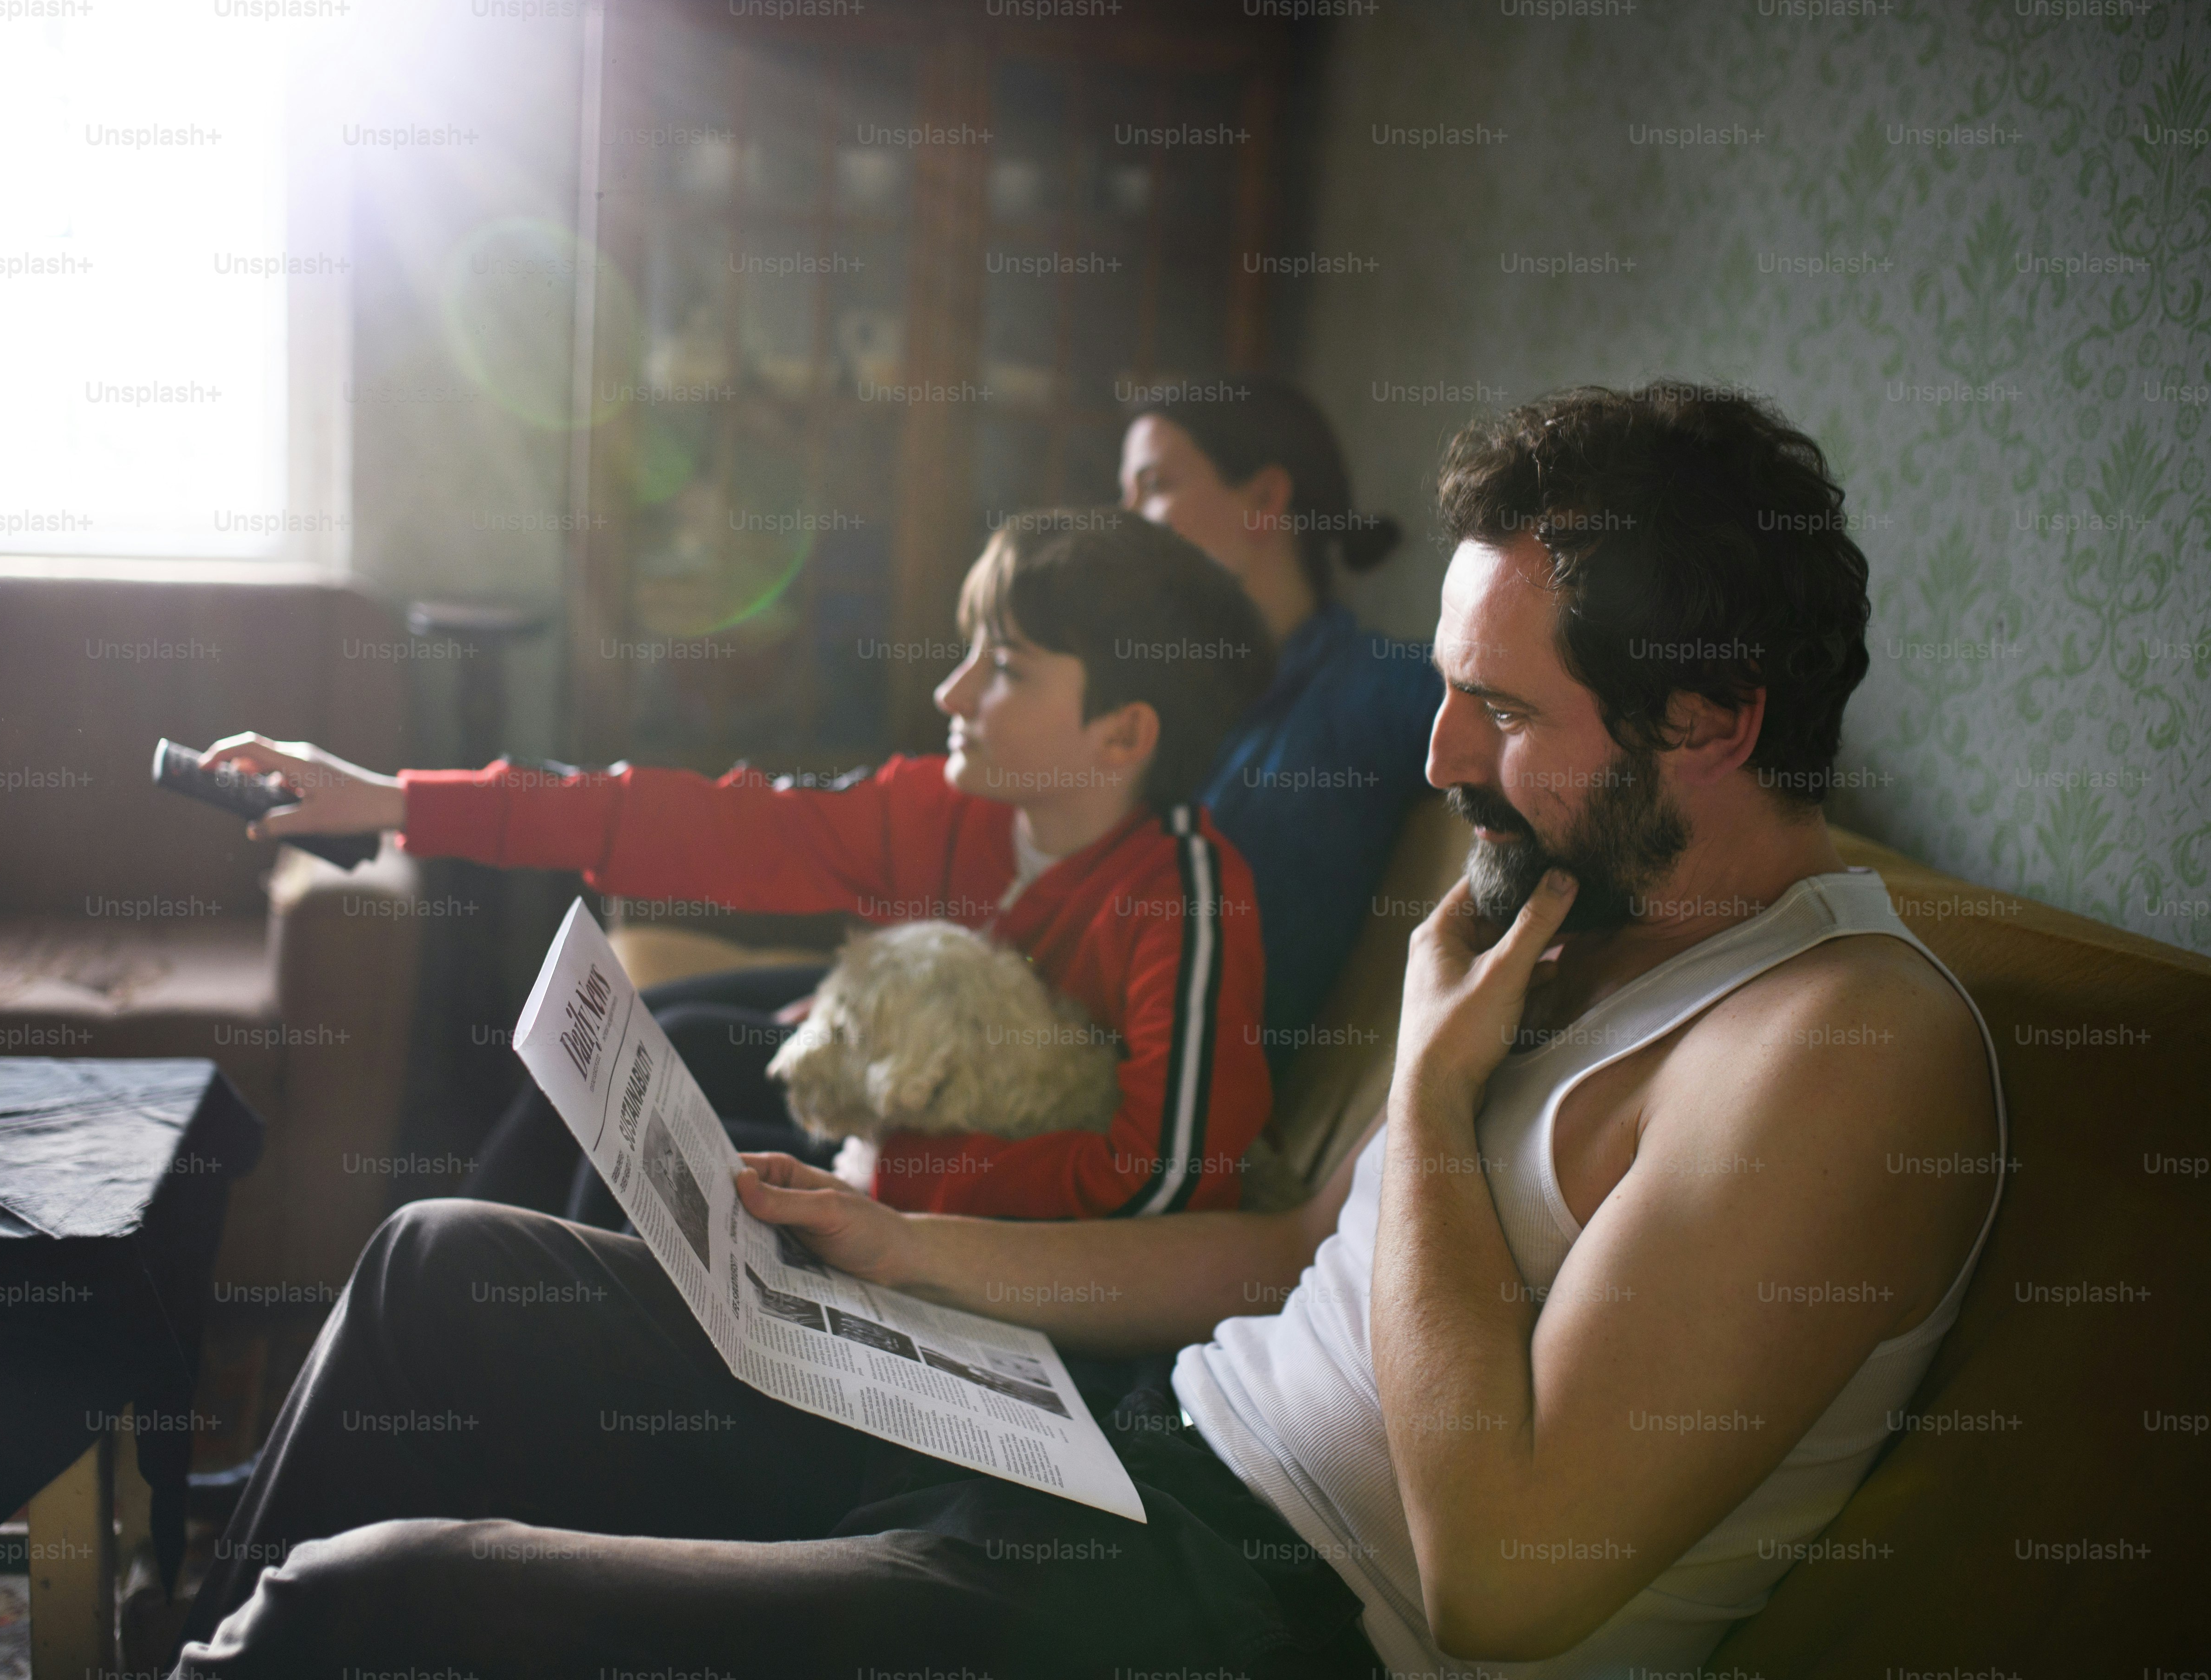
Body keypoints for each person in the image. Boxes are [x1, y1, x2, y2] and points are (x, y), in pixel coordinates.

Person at [172, 383, 2004, 1679]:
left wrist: (1436, 1099)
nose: (1444, 765)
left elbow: (1508, 1582)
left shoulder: (1851, 1049)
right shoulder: (1560, 908)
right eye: (1445, 697)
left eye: (1503, 715)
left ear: (1710, 723)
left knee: (376, 1607)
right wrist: (901, 1246)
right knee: (441, 1272)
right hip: (1142, 1451)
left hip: (1268, 1617)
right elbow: (1291, 1252)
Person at [212, 508, 1279, 1220]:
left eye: (1003, 670)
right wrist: (394, 798)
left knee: (643, 1151)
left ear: (1122, 736)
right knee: (623, 1062)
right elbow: (690, 823)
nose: (951, 695)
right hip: (901, 1131)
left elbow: (1164, 1183)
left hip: (962, 1211)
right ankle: (439, 1345)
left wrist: (891, 1186)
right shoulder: (945, 806)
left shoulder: (1186, 898)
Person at [1122, 378, 1443, 1064]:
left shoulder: (1373, 687)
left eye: (1153, 487)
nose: (1125, 522)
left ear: (1265, 499)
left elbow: (1526, 719)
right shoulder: (1170, 710)